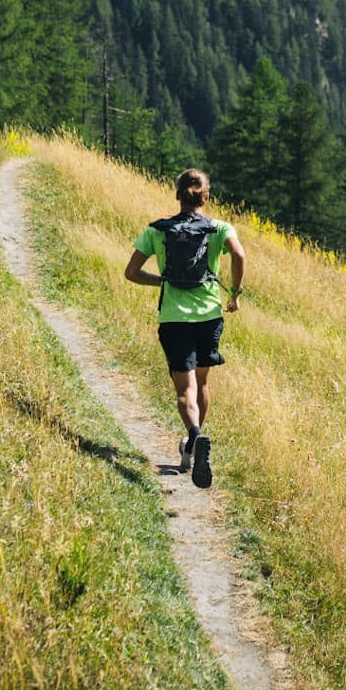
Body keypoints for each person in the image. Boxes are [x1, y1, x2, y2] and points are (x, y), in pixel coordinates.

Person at [124, 167, 245, 489]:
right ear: (206, 197)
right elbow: (239, 254)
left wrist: (160, 280)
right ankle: (194, 444)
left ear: (177, 195)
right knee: (202, 381)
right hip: (209, 315)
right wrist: (234, 293)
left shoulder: (157, 231)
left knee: (183, 389)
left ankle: (194, 435)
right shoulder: (220, 228)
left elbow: (131, 272)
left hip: (174, 318)